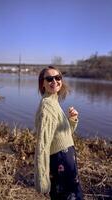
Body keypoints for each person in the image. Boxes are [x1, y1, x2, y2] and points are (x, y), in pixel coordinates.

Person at [34, 66, 83, 200]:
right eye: (49, 78)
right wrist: (42, 178)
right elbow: (43, 144)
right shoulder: (47, 105)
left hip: (66, 158)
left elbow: (63, 136)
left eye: (58, 77)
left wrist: (71, 120)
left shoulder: (53, 102)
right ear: (42, 84)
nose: (54, 81)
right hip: (61, 160)